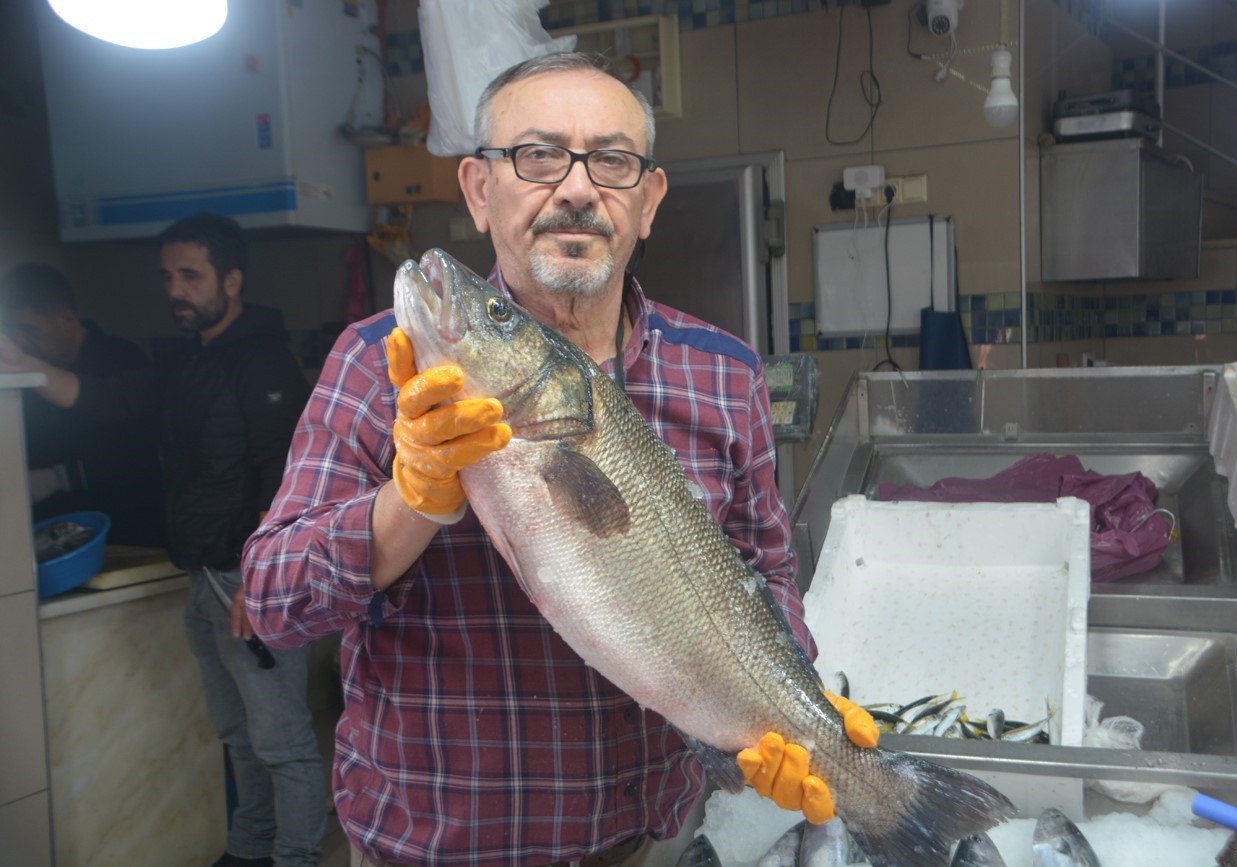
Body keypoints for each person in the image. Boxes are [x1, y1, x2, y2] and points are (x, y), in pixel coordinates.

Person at [243, 53, 862, 866]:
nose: (576, 189)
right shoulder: (378, 363)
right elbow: (272, 602)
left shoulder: (725, 371)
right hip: (428, 852)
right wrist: (410, 502)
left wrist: (794, 705)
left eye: (612, 160)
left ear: (647, 202)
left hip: (645, 846)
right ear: (477, 189)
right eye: (537, 156)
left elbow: (768, 572)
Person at [156, 212, 325, 867]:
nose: (176, 289)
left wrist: (259, 581)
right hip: (204, 577)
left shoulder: (263, 361)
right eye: (168, 276)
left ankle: (297, 857)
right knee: (237, 733)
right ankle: (250, 848)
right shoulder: (197, 358)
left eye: (190, 275)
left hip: (245, 580)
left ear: (232, 279)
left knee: (280, 738)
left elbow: (282, 474)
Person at [0, 263, 164, 546]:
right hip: (46, 537)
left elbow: (142, 461)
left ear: (66, 318)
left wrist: (58, 478)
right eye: (13, 331)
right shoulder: (21, 374)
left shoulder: (120, 362)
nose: (21, 341)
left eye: (29, 329)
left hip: (126, 535)